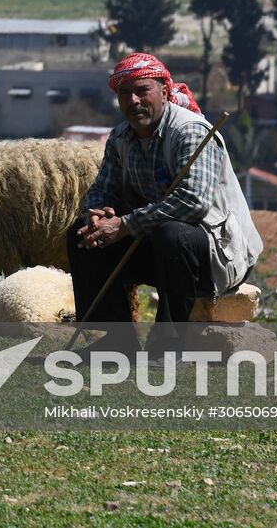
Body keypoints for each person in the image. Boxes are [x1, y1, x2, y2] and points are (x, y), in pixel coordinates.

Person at [67, 52, 262, 354]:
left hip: (215, 255)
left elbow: (192, 203)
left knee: (172, 233)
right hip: (161, 251)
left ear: (164, 91)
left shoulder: (191, 132)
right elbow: (102, 188)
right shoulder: (121, 138)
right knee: (82, 234)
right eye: (124, 93)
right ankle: (117, 342)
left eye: (142, 90)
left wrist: (125, 224)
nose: (133, 101)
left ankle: (170, 344)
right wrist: (96, 212)